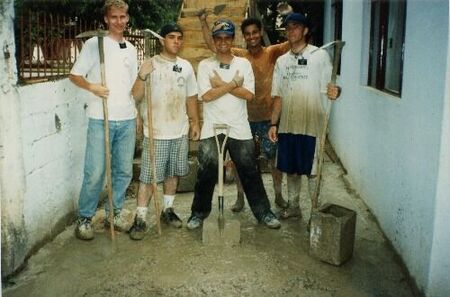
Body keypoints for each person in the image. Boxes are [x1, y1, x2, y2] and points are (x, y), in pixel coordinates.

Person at [186, 19, 281, 230]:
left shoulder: (243, 64)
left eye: (227, 38)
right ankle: (198, 213)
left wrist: (220, 84)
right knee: (206, 170)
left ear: (232, 39)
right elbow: (207, 96)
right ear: (214, 40)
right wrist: (231, 84)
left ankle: (263, 212)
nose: (222, 42)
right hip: (212, 126)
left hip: (239, 126)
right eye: (218, 38)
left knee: (249, 169)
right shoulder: (205, 65)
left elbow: (248, 95)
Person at [69, 0, 137, 240]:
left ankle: (113, 212)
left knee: (123, 171)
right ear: (106, 19)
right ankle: (85, 218)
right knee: (96, 172)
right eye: (114, 17)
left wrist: (145, 78)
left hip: (127, 118)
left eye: (123, 17)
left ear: (127, 18)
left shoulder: (130, 48)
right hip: (100, 117)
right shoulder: (93, 44)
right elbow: (74, 75)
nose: (119, 21)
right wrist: (93, 87)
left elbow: (133, 86)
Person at [128, 22, 200, 240]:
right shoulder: (150, 64)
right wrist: (142, 75)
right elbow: (136, 96)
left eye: (179, 37)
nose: (176, 41)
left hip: (179, 131)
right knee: (149, 178)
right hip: (156, 132)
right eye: (171, 37)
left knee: (173, 174)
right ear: (162, 40)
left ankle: (167, 210)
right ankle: (140, 219)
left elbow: (191, 97)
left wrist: (195, 122)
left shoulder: (185, 66)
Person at [268, 13, 341, 219]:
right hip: (288, 124)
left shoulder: (319, 56)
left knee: (312, 171)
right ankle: (293, 207)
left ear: (305, 30)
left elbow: (331, 88)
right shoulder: (282, 61)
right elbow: (278, 95)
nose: (291, 31)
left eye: (295, 26)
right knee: (291, 169)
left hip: (312, 123)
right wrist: (274, 123)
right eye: (288, 27)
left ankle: (315, 212)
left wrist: (336, 92)